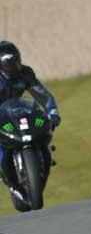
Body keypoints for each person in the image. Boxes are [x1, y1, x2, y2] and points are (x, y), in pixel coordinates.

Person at [0, 41, 60, 202]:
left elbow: (42, 94)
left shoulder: (25, 73)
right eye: (8, 65)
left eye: (16, 62)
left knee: (43, 131)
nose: (14, 67)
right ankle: (12, 184)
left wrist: (52, 112)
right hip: (1, 118)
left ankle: (43, 156)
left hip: (18, 111)